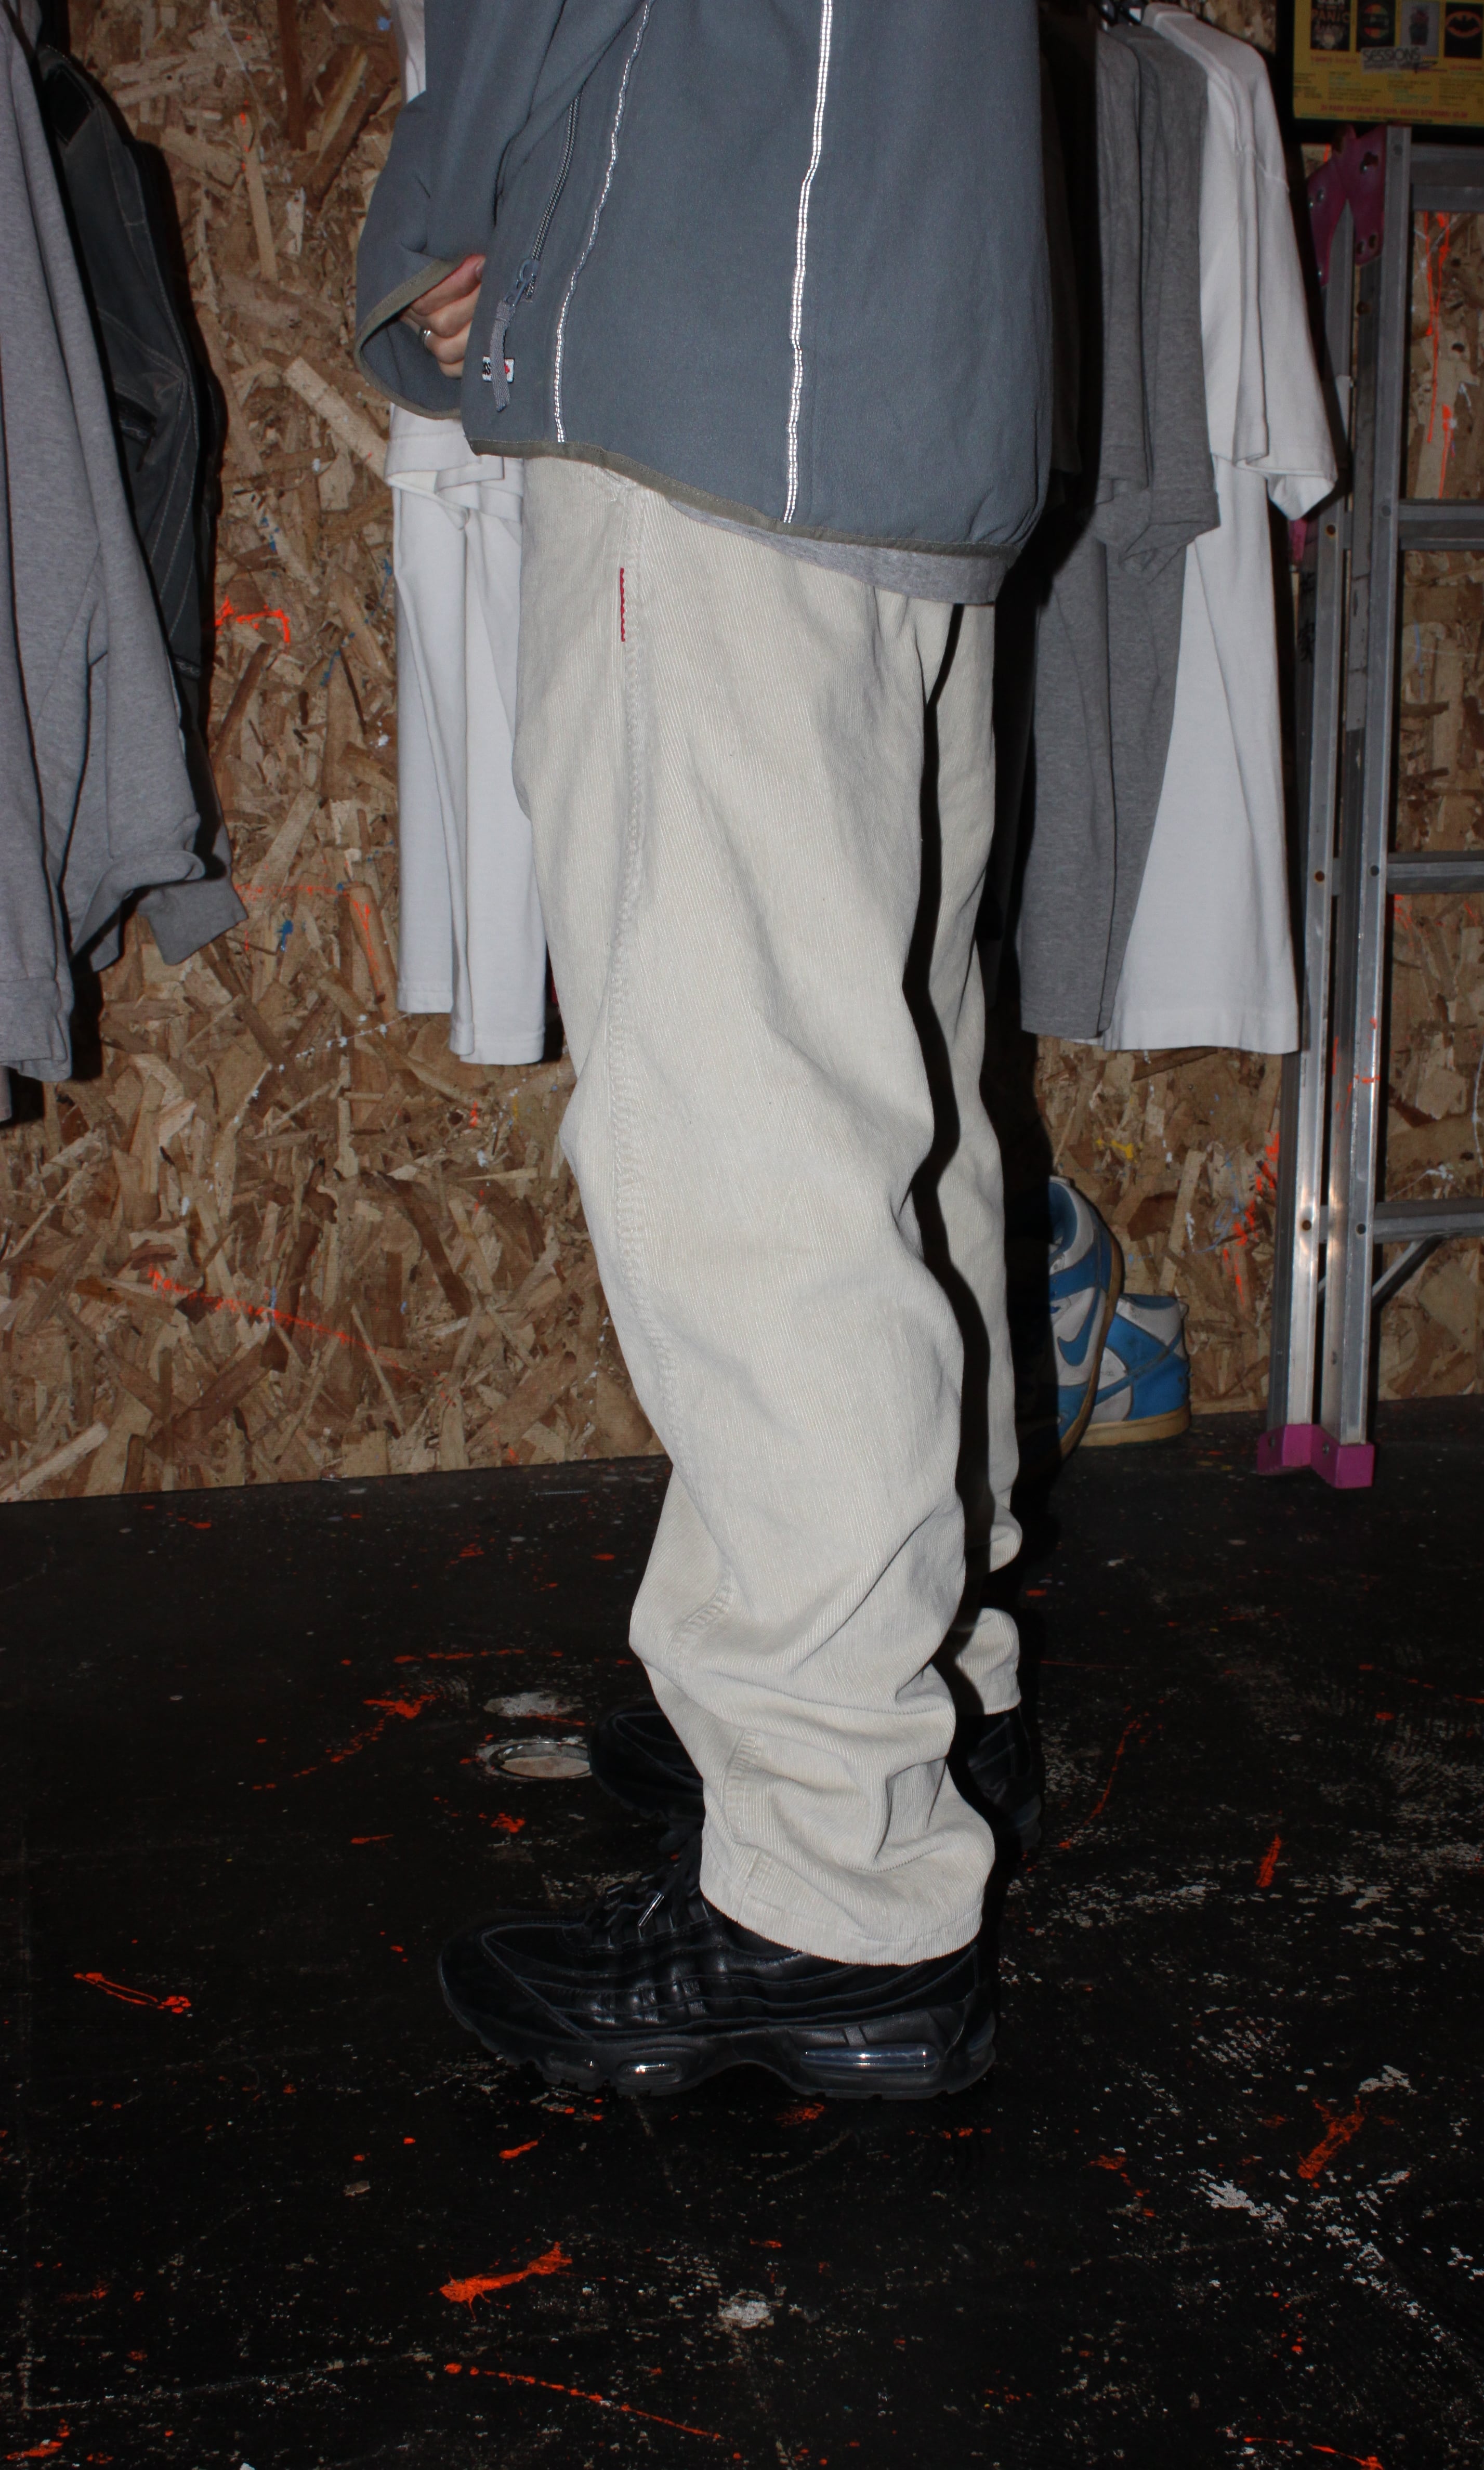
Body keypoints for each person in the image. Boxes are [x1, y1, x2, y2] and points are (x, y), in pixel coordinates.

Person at [355, 0, 1051, 2102]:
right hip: (911, 385)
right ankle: (922, 1692)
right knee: (896, 1114)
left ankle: (836, 1880)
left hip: (711, 357)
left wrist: (441, 238)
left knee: (752, 1157)